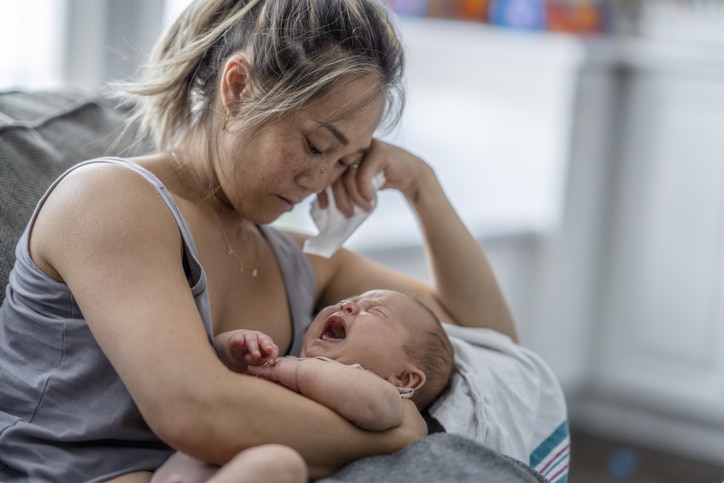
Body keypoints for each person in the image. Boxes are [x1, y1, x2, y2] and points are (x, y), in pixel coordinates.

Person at [0, 0, 517, 482]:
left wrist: (422, 186)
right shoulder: (110, 200)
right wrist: (398, 432)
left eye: (345, 162)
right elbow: (195, 412)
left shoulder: (289, 255)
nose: (320, 180)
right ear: (239, 87)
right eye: (315, 145)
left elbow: (488, 341)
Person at [151, 289, 455, 483]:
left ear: (404, 379)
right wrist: (230, 348)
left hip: (243, 471)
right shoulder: (285, 360)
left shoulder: (385, 395)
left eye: (374, 311)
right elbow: (209, 371)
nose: (348, 305)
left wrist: (294, 370)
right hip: (183, 464)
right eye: (349, 300)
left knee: (280, 465)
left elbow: (375, 408)